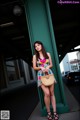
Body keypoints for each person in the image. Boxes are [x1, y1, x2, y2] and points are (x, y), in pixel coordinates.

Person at [32, 41, 59, 120]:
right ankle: (48, 113)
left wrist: (47, 67)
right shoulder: (35, 56)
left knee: (52, 93)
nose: (37, 47)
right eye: (35, 46)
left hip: (49, 74)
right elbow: (34, 67)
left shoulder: (48, 54)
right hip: (41, 75)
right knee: (47, 94)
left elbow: (51, 64)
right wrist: (41, 67)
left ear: (41, 45)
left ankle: (54, 112)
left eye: (38, 45)